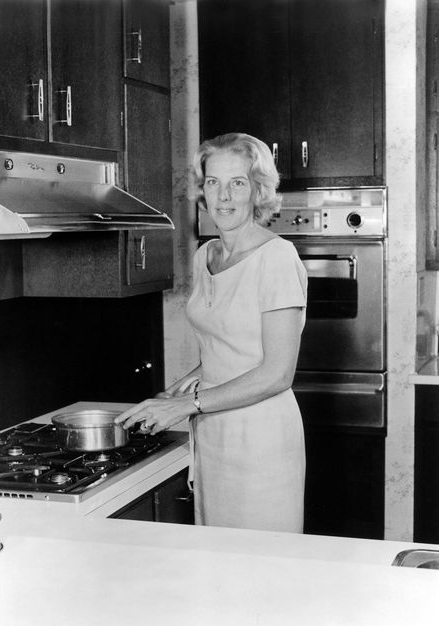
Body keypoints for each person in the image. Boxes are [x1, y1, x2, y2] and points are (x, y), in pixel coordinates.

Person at [116, 132, 307, 533]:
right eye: (213, 182)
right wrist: (172, 395)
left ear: (258, 191)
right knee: (216, 563)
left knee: (258, 571)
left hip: (261, 440)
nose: (223, 196)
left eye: (237, 183)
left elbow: (276, 373)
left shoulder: (277, 258)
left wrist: (185, 405)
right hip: (212, 432)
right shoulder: (207, 256)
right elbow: (225, 351)